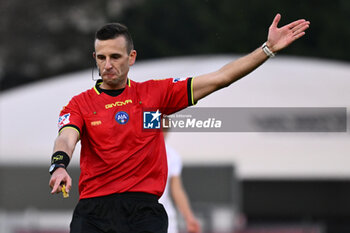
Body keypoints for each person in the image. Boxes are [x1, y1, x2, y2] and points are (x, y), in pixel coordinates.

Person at [49, 14, 310, 233]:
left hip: (143, 211)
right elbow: (66, 137)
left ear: (132, 57)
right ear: (94, 57)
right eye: (101, 57)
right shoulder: (79, 104)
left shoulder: (156, 93)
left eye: (115, 57)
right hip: (94, 210)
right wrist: (59, 165)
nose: (108, 65)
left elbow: (221, 78)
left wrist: (267, 49)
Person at [159, 127, 201, 233]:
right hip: (138, 215)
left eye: (166, 129)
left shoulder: (172, 156)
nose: (163, 133)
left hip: (165, 217)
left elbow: (176, 189)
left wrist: (189, 217)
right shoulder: (137, 153)